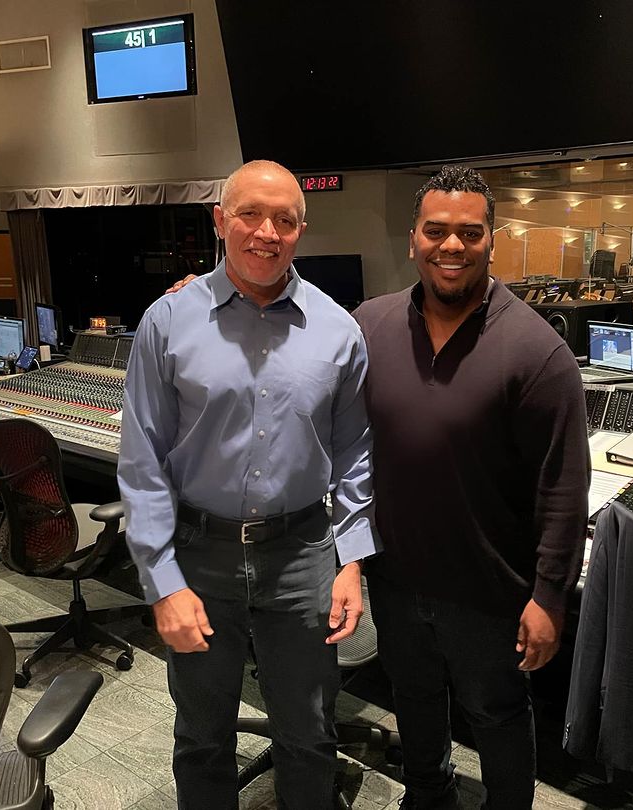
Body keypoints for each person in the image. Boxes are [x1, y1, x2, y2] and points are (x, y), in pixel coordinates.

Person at [117, 160, 379, 810]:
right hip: (199, 555)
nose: (267, 232)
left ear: (301, 231)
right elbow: (143, 462)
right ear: (220, 220)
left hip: (302, 556)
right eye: (250, 215)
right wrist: (162, 582)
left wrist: (352, 561)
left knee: (310, 734)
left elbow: (355, 454)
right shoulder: (166, 322)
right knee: (202, 736)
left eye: (284, 220)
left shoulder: (339, 330)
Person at [353, 166, 590, 808]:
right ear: (413, 239)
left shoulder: (537, 351)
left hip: (490, 592)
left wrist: (550, 597)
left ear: (492, 240)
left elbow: (563, 488)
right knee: (413, 699)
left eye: (469, 232)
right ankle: (427, 797)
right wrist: (203, 294)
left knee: (497, 715)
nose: (451, 245)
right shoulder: (370, 325)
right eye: (436, 231)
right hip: (396, 578)